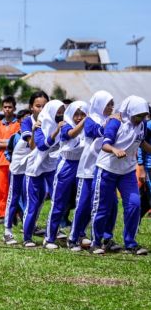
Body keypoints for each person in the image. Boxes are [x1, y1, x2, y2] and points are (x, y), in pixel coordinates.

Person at [91, 96, 150, 255]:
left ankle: (130, 243)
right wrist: (115, 150)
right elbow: (105, 144)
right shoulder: (116, 122)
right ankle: (97, 242)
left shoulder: (142, 125)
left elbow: (141, 142)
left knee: (134, 204)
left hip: (127, 171)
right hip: (107, 170)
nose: (140, 119)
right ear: (129, 111)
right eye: (138, 115)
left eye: (143, 115)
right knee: (103, 207)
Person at [69, 91, 115, 250]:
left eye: (112, 104)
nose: (111, 107)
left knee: (105, 205)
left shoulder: (109, 120)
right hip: (87, 170)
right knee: (82, 205)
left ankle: (104, 238)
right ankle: (73, 237)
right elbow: (95, 131)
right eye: (108, 104)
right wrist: (112, 125)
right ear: (99, 104)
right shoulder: (90, 120)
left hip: (103, 170)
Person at [3, 92, 48, 245]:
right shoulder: (27, 122)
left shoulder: (50, 121)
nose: (41, 109)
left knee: (41, 195)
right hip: (20, 164)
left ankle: (30, 225)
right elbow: (32, 145)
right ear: (31, 107)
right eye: (38, 106)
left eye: (44, 106)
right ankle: (7, 231)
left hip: (37, 163)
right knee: (15, 197)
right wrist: (35, 130)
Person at [43, 101, 87, 249]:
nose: (80, 117)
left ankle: (77, 236)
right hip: (67, 165)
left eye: (83, 114)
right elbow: (70, 134)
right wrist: (86, 121)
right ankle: (49, 238)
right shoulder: (65, 125)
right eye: (77, 114)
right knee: (59, 203)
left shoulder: (89, 127)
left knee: (82, 203)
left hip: (82, 165)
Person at [22, 100, 65, 248]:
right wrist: (56, 132)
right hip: (35, 168)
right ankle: (27, 237)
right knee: (34, 204)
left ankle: (50, 236)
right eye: (58, 111)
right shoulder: (40, 125)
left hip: (51, 167)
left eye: (62, 112)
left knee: (58, 201)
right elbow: (41, 145)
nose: (60, 115)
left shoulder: (62, 124)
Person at [0, 96, 20, 223]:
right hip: (1, 162)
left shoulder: (18, 124)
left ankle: (16, 214)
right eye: (5, 107)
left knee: (14, 189)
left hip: (15, 161)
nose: (7, 109)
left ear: (14, 108)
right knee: (1, 191)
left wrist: (2, 142)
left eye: (10, 107)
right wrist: (8, 142)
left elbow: (18, 142)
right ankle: (3, 215)